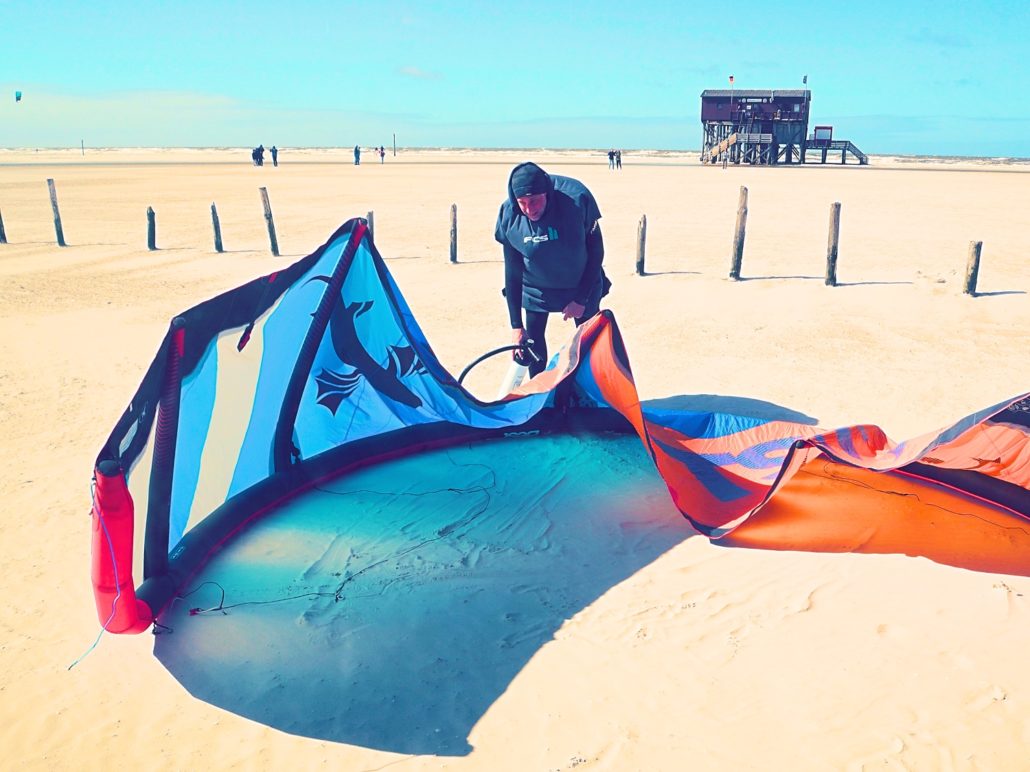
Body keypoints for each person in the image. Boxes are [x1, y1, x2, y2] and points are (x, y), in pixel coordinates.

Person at [495, 162, 609, 377]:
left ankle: (584, 395)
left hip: (580, 281)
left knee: (587, 346)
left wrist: (581, 299)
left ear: (547, 193)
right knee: (532, 345)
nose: (530, 209)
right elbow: (512, 272)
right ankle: (538, 397)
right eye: (523, 203)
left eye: (535, 200)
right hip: (536, 288)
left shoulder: (577, 201)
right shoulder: (509, 217)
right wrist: (516, 326)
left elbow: (596, 252)